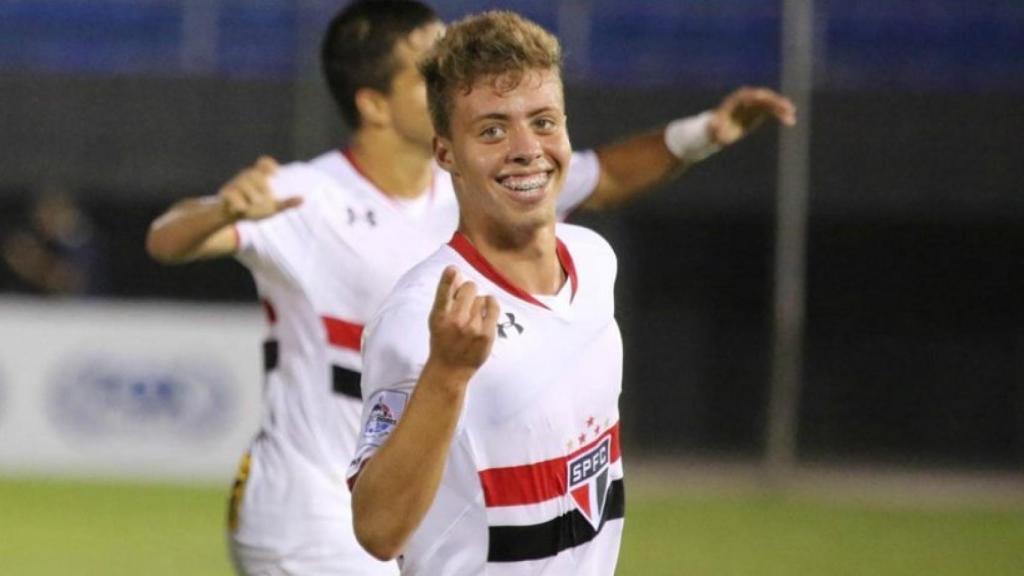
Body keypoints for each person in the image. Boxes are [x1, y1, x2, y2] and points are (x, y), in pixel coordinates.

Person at [145, 1, 794, 574]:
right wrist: (222, 211)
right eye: (425, 64)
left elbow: (608, 175)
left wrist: (707, 132)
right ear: (375, 104)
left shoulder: (506, 187)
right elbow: (167, 239)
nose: (445, 68)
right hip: (310, 505)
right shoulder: (306, 197)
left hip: (430, 494)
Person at [350, 11, 631, 573]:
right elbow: (378, 531)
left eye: (544, 122)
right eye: (492, 130)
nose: (527, 148)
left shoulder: (596, 263)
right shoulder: (422, 316)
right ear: (446, 153)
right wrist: (447, 375)